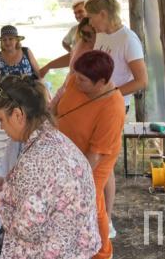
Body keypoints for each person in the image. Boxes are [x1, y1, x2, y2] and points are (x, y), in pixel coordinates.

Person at [0, 75, 101, 259]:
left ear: (18, 115)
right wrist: (8, 185)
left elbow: (28, 229)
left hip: (55, 252)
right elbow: (44, 190)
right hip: (75, 247)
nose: (1, 127)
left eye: (1, 119)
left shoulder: (35, 159)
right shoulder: (51, 137)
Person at [85, 0, 148, 239]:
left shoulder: (128, 39)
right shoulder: (102, 35)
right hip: (97, 105)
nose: (90, 23)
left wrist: (111, 94)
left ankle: (107, 220)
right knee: (98, 163)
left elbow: (142, 80)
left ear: (103, 14)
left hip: (115, 108)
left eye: (91, 17)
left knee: (105, 163)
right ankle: (96, 214)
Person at [53, 50, 126, 259]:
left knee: (90, 200)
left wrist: (73, 177)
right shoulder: (76, 79)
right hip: (68, 151)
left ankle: (102, 251)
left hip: (93, 160)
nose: (76, 81)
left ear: (101, 82)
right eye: (75, 75)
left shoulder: (112, 108)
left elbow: (94, 156)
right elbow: (58, 103)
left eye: (82, 80)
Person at [0, 25, 41, 93]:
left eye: (10, 39)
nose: (7, 42)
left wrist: (43, 92)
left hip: (29, 96)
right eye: (4, 40)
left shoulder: (26, 52)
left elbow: (39, 74)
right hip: (7, 98)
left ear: (17, 40)